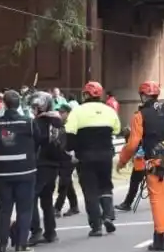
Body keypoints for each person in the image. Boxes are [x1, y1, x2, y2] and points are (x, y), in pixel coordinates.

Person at [118, 80, 164, 251]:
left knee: (158, 200)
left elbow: (133, 144)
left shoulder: (140, 115)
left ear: (143, 96)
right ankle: (161, 234)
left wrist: (122, 160)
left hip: (156, 162)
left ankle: (161, 238)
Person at [66, 81, 121, 237]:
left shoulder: (77, 111)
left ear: (85, 95)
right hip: (105, 155)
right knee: (105, 186)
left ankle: (96, 226)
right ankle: (108, 215)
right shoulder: (109, 111)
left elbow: (69, 133)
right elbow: (116, 129)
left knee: (90, 190)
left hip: (85, 156)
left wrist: (71, 150)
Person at [0, 90, 39, 252]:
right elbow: (39, 140)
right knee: (24, 209)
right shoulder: (28, 123)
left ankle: (2, 245)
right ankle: (21, 245)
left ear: (4, 104)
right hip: (26, 171)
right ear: (19, 104)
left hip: (3, 172)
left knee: (5, 209)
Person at [28, 92, 66, 245]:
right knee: (47, 199)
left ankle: (36, 231)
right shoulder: (58, 121)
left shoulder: (38, 123)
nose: (34, 110)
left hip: (41, 164)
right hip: (54, 165)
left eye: (35, 107)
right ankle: (51, 232)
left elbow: (35, 143)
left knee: (31, 197)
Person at [54, 101, 80, 217]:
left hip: (70, 156)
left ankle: (57, 207)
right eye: (59, 112)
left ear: (69, 113)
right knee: (67, 182)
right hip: (62, 156)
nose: (60, 114)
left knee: (64, 182)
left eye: (62, 112)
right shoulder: (59, 124)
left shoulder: (72, 124)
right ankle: (74, 206)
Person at [116, 144, 147, 212]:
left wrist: (121, 163)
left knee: (134, 183)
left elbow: (129, 149)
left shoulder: (134, 138)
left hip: (140, 163)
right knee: (155, 182)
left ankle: (127, 203)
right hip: (152, 161)